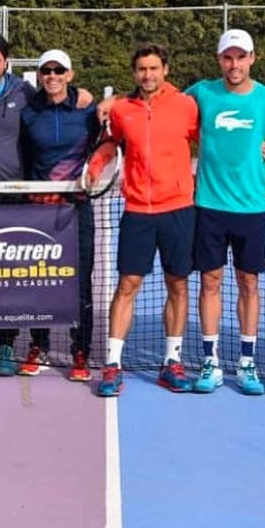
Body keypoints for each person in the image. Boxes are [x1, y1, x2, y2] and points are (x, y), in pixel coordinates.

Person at [0, 32, 92, 377]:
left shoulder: (24, 94)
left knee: (9, 278)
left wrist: (84, 94)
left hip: (15, 198)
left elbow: (65, 99)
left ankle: (6, 344)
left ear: (6, 63)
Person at [184, 29, 265, 395]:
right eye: (228, 57)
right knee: (209, 282)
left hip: (251, 208)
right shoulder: (202, 93)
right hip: (209, 206)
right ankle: (210, 361)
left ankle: (246, 363)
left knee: (249, 284)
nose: (234, 64)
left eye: (241, 57)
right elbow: (165, 108)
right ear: (219, 60)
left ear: (252, 58)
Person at [97, 42, 199, 397]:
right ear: (134, 73)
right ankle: (112, 364)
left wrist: (258, 146)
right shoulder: (123, 110)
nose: (148, 74)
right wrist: (93, 170)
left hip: (179, 209)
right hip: (138, 211)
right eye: (142, 69)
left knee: (178, 285)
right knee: (127, 286)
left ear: (165, 70)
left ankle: (172, 361)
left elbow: (214, 142)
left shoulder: (187, 106)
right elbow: (110, 144)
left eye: (154, 68)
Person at [19, 48, 99, 381]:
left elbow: (110, 139)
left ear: (70, 74)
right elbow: (23, 156)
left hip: (76, 209)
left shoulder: (88, 110)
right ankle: (39, 346)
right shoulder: (28, 113)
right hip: (39, 210)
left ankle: (80, 351)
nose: (52, 76)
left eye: (58, 70)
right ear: (40, 76)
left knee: (79, 282)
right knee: (39, 281)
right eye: (46, 71)